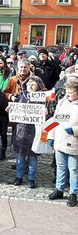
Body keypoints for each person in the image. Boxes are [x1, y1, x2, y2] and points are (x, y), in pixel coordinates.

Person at [48, 74, 78, 207]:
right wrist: (50, 136)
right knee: (60, 167)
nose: (68, 95)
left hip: (74, 143)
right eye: (68, 92)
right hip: (60, 140)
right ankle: (59, 189)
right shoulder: (62, 102)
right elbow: (55, 120)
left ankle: (73, 193)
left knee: (74, 169)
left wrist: (75, 130)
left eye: (71, 93)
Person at [11, 76, 46, 189]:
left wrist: (47, 112)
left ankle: (31, 178)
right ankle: (19, 176)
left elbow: (49, 116)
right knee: (20, 156)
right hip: (21, 131)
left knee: (32, 157)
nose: (30, 86)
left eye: (33, 84)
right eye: (29, 84)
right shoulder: (22, 96)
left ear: (38, 86)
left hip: (35, 132)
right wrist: (10, 110)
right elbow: (15, 111)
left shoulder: (42, 99)